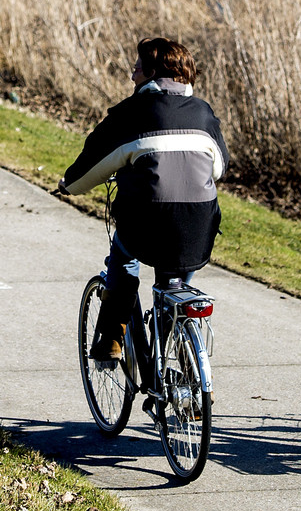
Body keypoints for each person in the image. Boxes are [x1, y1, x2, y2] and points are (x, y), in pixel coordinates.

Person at [57, 37, 228, 361]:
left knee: (123, 257)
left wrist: (68, 186)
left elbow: (92, 162)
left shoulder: (131, 113)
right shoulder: (204, 112)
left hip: (147, 223)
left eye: (137, 68)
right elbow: (219, 167)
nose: (132, 74)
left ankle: (111, 339)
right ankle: (180, 353)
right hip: (198, 227)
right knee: (172, 278)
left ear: (151, 74)